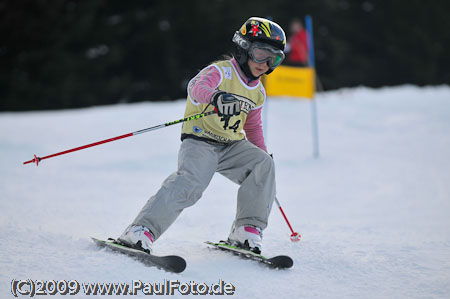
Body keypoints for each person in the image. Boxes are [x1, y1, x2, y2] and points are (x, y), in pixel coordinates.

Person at [118, 17, 286, 254]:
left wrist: (261, 151)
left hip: (231, 145)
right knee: (191, 183)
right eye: (260, 53)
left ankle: (246, 230)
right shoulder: (221, 71)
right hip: (201, 140)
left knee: (263, 164)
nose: (265, 63)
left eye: (274, 58)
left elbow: (253, 126)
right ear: (243, 47)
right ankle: (140, 230)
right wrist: (217, 97)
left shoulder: (258, 91)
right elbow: (196, 88)